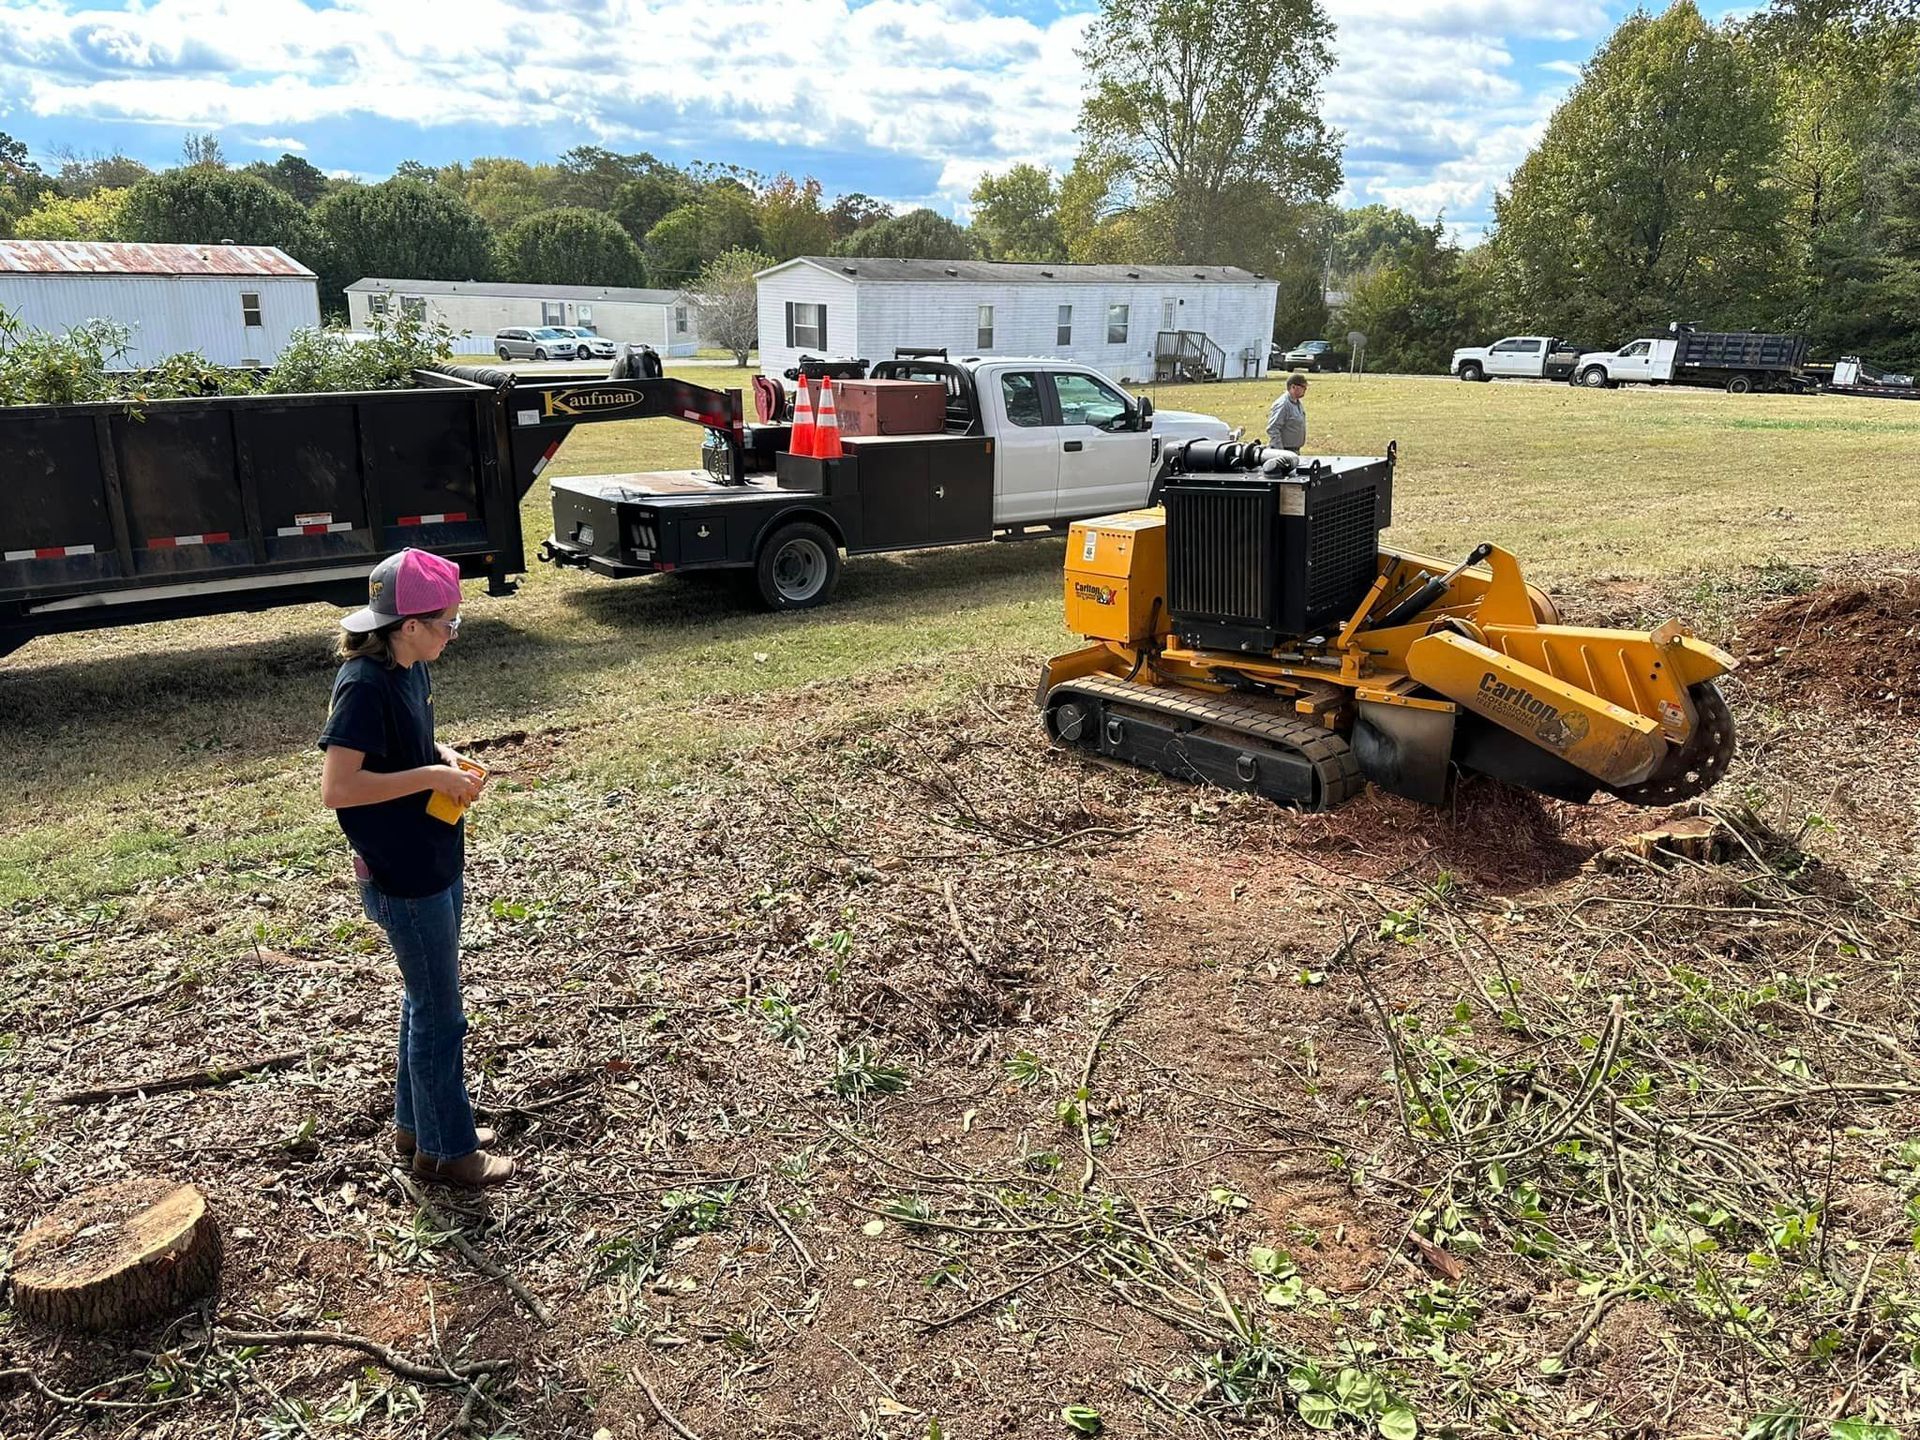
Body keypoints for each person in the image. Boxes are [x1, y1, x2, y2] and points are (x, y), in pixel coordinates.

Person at [318, 548, 512, 1188]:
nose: (454, 633)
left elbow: (411, 744)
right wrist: (431, 775)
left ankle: (416, 1124)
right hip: (402, 875)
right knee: (439, 1011)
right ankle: (447, 1153)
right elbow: (339, 789)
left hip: (430, 857)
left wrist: (445, 757)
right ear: (407, 627)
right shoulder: (363, 685)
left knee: (423, 1000)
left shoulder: (409, 668)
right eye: (447, 623)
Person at [1267, 372, 1309, 452]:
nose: (1305, 390)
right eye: (1303, 387)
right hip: (1285, 451)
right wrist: (1280, 452)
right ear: (1293, 387)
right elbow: (1273, 428)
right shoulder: (1283, 404)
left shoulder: (1297, 402)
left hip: (1294, 450)